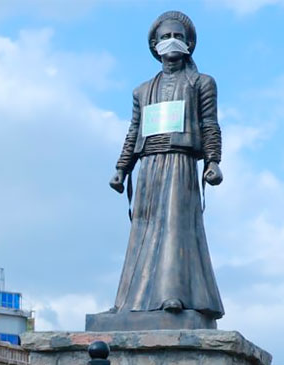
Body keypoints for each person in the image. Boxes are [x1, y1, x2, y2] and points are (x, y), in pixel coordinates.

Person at [108, 10, 225, 324]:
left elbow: (210, 125)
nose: (171, 42)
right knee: (142, 231)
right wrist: (122, 168)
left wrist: (213, 161)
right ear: (154, 44)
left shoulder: (201, 83)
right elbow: (134, 132)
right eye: (164, 37)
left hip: (180, 162)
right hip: (148, 165)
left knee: (175, 228)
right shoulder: (142, 90)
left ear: (188, 43)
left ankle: (175, 294)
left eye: (177, 36)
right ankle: (129, 300)